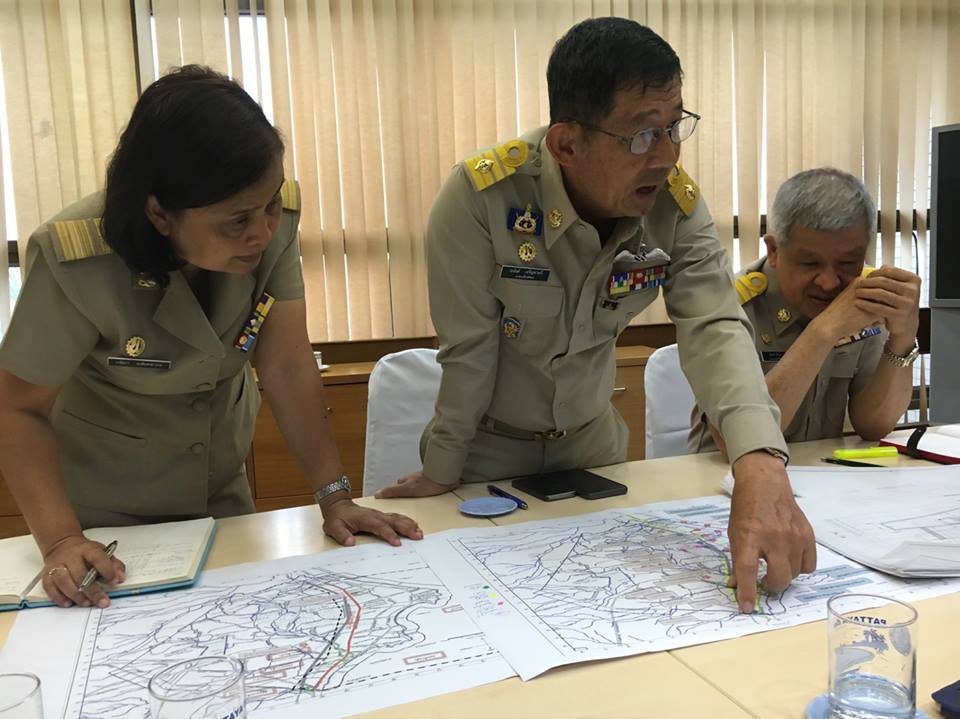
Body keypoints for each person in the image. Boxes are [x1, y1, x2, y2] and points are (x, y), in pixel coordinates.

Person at [376, 17, 816, 613]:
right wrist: (443, 467)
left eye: (673, 128)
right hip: (487, 456)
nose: (664, 157)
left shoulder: (675, 206)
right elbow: (469, 348)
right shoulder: (483, 198)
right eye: (641, 135)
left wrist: (760, 461)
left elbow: (714, 326)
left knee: (609, 608)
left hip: (595, 448)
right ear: (566, 144)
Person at [0, 66, 421, 610]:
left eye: (270, 206)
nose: (264, 232)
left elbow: (288, 366)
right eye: (238, 220)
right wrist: (60, 539)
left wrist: (334, 497)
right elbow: (16, 408)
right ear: (159, 212)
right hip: (101, 521)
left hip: (220, 496)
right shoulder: (76, 259)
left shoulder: (268, 224)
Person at [690, 168, 921, 454]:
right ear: (774, 250)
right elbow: (735, 440)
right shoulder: (729, 305)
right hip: (720, 478)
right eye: (809, 264)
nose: (829, 282)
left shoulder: (865, 298)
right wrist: (824, 331)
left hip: (817, 479)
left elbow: (873, 425)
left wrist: (903, 338)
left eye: (848, 263)